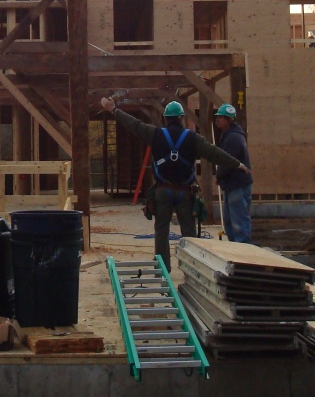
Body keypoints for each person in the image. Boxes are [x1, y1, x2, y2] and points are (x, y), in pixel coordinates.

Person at [100, 97, 250, 270]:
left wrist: (113, 109)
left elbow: (133, 124)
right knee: (189, 232)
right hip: (185, 192)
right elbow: (214, 153)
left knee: (161, 231)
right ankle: (192, 268)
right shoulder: (193, 138)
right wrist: (238, 164)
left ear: (165, 118)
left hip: (162, 191)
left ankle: (163, 268)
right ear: (181, 118)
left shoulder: (155, 134)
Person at [212, 103, 254, 244]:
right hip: (231, 185)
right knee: (230, 221)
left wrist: (219, 176)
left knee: (239, 222)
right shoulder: (229, 135)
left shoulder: (234, 138)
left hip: (238, 185)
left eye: (220, 118)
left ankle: (244, 251)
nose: (217, 120)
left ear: (229, 120)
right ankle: (236, 249)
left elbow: (228, 161)